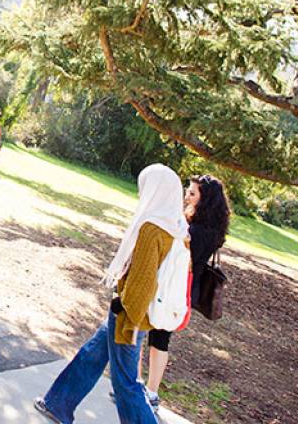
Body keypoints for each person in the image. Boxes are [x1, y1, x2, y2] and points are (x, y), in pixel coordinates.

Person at [33, 163, 188, 424]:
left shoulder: (153, 229)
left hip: (131, 314)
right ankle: (58, 403)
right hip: (139, 312)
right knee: (93, 354)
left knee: (126, 383)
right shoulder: (177, 228)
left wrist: (129, 320)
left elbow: (142, 283)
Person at [143, 175, 229, 413]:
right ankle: (146, 389)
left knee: (158, 337)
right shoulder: (204, 225)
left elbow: (180, 245)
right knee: (154, 334)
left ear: (206, 200)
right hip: (177, 286)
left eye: (192, 193)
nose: (186, 196)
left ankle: (150, 392)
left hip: (177, 289)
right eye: (187, 191)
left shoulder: (199, 232)